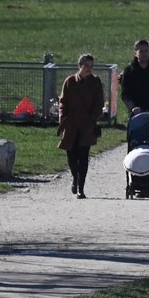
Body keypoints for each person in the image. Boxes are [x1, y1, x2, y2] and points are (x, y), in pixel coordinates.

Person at [56, 54, 106, 198]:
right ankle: (75, 178)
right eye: (86, 66)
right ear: (80, 66)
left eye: (91, 66)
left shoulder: (95, 82)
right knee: (71, 155)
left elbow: (99, 103)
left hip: (87, 124)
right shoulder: (70, 81)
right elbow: (63, 102)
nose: (89, 69)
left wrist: (93, 118)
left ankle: (80, 188)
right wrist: (62, 119)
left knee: (83, 156)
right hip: (71, 124)